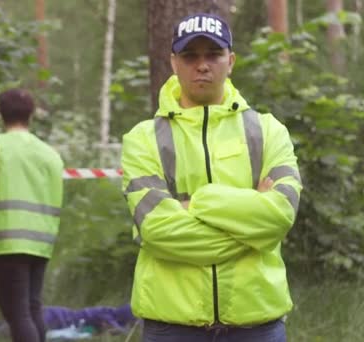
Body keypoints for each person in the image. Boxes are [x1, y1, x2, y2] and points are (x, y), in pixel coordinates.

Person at [121, 13, 302, 342]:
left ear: (230, 61)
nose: (202, 65)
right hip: (171, 326)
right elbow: (157, 230)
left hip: (257, 324)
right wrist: (250, 229)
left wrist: (198, 203)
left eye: (213, 54)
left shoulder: (268, 131)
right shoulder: (142, 139)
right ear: (174, 63)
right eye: (190, 56)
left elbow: (279, 215)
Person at [0, 88, 64, 342]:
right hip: (40, 242)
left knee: (18, 315)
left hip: (6, 241)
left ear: (0, 113)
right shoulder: (49, 154)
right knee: (32, 309)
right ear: (31, 114)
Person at [0, 302, 137, 338]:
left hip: (45, 315)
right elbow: (113, 328)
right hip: (44, 319)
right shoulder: (108, 316)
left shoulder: (109, 313)